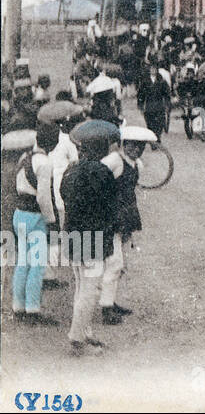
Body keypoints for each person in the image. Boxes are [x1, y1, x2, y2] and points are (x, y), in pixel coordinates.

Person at [61, 120, 120, 356]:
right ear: (101, 150)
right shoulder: (103, 173)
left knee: (80, 286)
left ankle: (84, 332)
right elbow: (110, 206)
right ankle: (77, 338)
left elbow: (64, 196)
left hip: (74, 233)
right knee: (91, 289)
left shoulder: (71, 170)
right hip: (94, 237)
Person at [99, 127, 149, 325]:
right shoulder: (113, 161)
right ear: (123, 144)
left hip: (124, 217)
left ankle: (109, 301)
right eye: (131, 145)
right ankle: (105, 308)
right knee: (114, 263)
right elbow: (97, 180)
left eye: (140, 146)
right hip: (109, 218)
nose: (135, 149)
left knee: (119, 263)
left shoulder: (137, 165)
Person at [12, 123, 60, 325]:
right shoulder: (45, 163)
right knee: (38, 266)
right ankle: (32, 310)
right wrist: (51, 220)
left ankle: (18, 306)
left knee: (23, 262)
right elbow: (43, 197)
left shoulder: (25, 158)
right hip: (34, 216)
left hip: (19, 214)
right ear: (54, 142)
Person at [136, 64, 171, 137]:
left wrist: (167, 104)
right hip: (149, 105)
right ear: (149, 70)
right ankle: (152, 138)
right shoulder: (145, 81)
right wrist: (140, 105)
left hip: (159, 105)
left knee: (159, 122)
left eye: (155, 69)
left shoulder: (161, 81)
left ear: (157, 70)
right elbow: (141, 94)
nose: (153, 70)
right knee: (149, 122)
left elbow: (167, 94)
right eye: (152, 69)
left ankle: (158, 137)